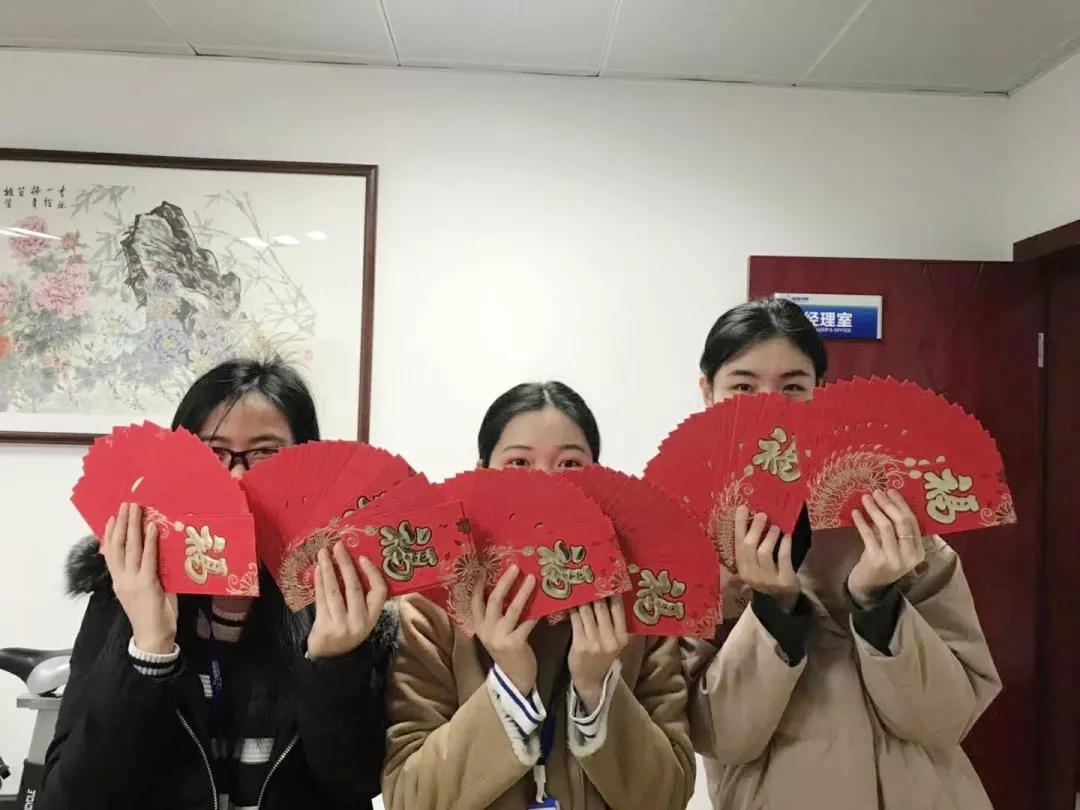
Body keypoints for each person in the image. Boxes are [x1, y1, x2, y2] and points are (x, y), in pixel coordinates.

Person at [682, 298, 1002, 810]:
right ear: (707, 394)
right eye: (743, 387)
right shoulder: (685, 553)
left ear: (820, 393)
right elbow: (721, 737)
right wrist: (772, 609)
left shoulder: (895, 529)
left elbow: (949, 719)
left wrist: (877, 603)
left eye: (793, 387)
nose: (770, 408)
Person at [40, 358, 398, 810]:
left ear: (308, 464)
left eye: (267, 454)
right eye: (214, 453)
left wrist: (332, 664)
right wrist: (150, 649)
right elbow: (71, 798)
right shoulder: (127, 592)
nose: (238, 476)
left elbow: (354, 784)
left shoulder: (340, 599)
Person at [381, 382, 695, 810]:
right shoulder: (432, 606)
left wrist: (597, 687)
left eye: (569, 464)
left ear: (598, 479)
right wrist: (509, 684)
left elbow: (671, 795)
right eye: (519, 463)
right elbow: (409, 797)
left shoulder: (641, 603)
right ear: (481, 473)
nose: (546, 486)